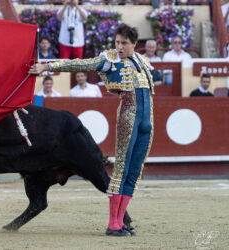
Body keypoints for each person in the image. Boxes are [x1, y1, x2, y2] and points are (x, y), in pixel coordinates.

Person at [29, 23, 154, 237]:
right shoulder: (109, 59)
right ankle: (113, 224)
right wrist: (47, 66)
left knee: (134, 172)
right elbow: (80, 64)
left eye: (124, 43)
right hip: (129, 119)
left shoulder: (143, 62)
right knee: (121, 170)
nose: (119, 46)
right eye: (117, 42)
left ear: (134, 44)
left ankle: (122, 222)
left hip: (147, 123)